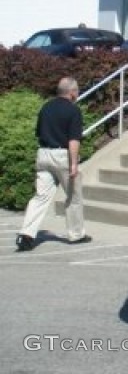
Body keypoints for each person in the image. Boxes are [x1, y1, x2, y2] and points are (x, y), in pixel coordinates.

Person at [14, 76, 92, 251]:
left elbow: (39, 132)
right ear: (72, 92)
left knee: (41, 196)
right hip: (62, 156)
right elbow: (73, 140)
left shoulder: (46, 107)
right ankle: (76, 234)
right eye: (77, 91)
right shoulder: (73, 111)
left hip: (43, 153)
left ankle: (26, 234)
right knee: (73, 197)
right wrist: (73, 164)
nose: (77, 94)